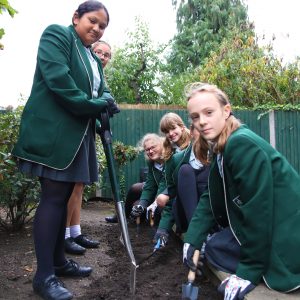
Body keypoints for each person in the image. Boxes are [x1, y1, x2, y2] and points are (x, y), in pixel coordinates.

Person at [12, 1, 120, 300]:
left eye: (102, 26)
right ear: (76, 17)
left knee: (62, 198)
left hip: (78, 136)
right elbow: (60, 82)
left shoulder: (92, 57)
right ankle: (44, 276)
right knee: (54, 198)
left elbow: (102, 90)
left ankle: (58, 262)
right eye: (93, 21)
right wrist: (99, 104)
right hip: (55, 134)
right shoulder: (57, 36)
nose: (97, 29)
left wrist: (108, 100)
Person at [182, 82, 300, 299]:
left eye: (209, 112)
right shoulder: (222, 145)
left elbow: (258, 211)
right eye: (195, 117)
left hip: (286, 233)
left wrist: (248, 272)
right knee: (215, 247)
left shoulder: (241, 144)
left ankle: (266, 266)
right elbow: (210, 196)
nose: (202, 122)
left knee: (217, 249)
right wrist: (193, 238)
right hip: (267, 225)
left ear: (226, 110)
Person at [64, 40, 112, 255]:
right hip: (73, 131)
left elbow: (105, 96)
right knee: (71, 186)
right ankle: (64, 235)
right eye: (98, 51)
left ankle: (76, 231)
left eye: (107, 54)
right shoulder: (83, 71)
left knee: (80, 185)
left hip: (87, 131)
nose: (102, 56)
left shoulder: (100, 77)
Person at [140, 112, 191, 245]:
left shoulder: (195, 144)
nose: (171, 133)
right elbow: (170, 188)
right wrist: (163, 229)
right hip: (178, 198)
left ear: (182, 126)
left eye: (173, 128)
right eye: (166, 131)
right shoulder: (169, 155)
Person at [165, 124, 210, 234]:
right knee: (185, 170)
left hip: (211, 213)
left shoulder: (219, 156)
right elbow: (171, 192)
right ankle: (196, 232)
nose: (203, 132)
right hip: (186, 213)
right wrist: (163, 228)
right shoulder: (177, 159)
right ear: (191, 132)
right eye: (199, 129)